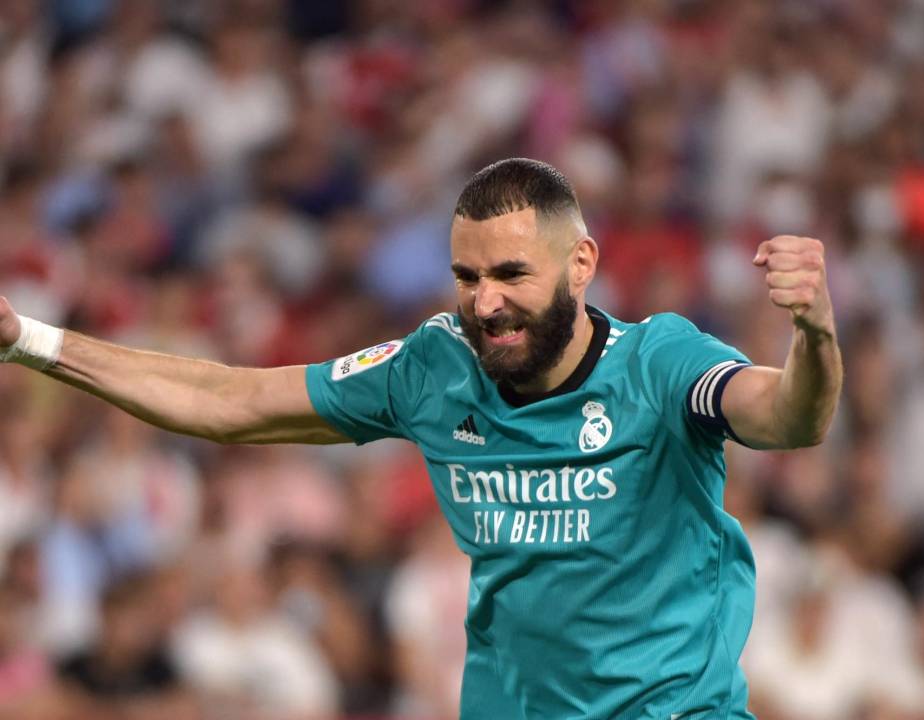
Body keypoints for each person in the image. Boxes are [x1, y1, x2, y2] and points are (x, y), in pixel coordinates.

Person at [0, 158, 842, 719]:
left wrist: (814, 335)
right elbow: (232, 400)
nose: (485, 304)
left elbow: (790, 417)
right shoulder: (433, 366)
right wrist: (27, 340)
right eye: (467, 277)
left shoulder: (662, 363)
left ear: (581, 264)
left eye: (512, 274)